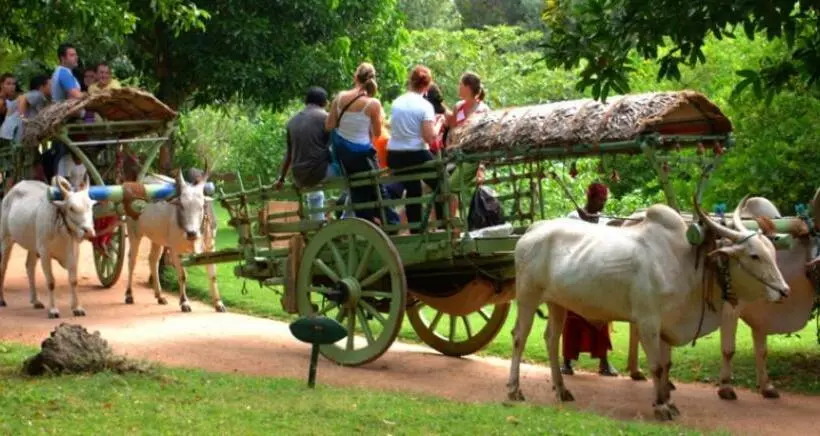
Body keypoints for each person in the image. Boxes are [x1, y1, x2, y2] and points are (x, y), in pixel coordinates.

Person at [326, 62, 397, 225]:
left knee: (357, 189)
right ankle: (391, 223)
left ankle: (367, 222)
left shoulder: (339, 98)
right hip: (364, 155)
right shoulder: (373, 104)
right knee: (378, 188)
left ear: (355, 78)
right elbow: (377, 133)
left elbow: (329, 125)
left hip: (344, 156)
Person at [561, 182, 618, 377]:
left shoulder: (605, 220)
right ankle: (566, 363)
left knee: (600, 319)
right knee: (573, 318)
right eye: (600, 200)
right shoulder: (572, 218)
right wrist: (584, 223)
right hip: (576, 275)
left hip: (597, 277)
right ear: (590, 199)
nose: (602, 204)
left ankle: (604, 363)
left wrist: (593, 222)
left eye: (604, 201)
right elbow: (567, 244)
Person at [386, 65, 445, 233]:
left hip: (394, 155)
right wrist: (439, 122)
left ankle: (415, 231)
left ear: (409, 82)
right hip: (415, 153)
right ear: (427, 86)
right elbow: (429, 137)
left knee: (413, 189)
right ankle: (441, 226)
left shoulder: (397, 102)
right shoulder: (425, 106)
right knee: (442, 183)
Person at [276, 87, 335, 221]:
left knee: (315, 192)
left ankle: (318, 224)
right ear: (325, 103)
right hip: (320, 173)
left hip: (300, 176)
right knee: (352, 178)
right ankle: (346, 218)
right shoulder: (325, 118)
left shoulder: (292, 122)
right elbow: (334, 146)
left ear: (306, 102)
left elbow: (289, 154)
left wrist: (281, 178)